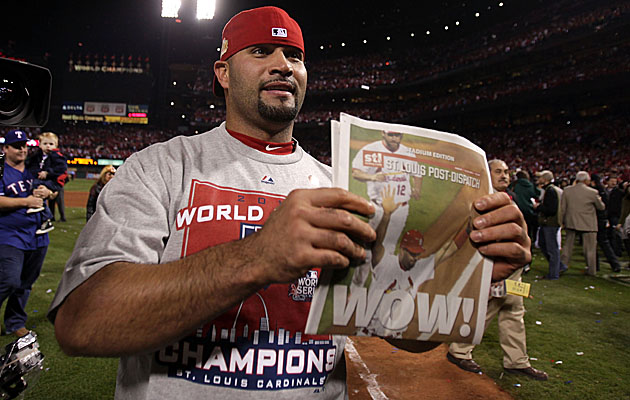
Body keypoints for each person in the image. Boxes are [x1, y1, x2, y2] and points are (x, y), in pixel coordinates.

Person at [47, 7, 531, 399]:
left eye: (294, 55)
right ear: (222, 71)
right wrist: (259, 255)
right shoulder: (161, 166)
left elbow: (400, 331)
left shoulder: (340, 183)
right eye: (261, 51)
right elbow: (82, 322)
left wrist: (468, 266)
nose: (283, 64)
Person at [447, 159, 548, 381]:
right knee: (487, 308)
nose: (504, 175)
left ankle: (516, 361)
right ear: (487, 174)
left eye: (506, 172)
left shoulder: (509, 197)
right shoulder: (481, 198)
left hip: (513, 267)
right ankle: (459, 351)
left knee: (514, 311)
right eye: (498, 172)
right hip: (493, 265)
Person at [0, 129, 53, 338]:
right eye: (16, 146)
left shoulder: (34, 166)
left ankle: (15, 322)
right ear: (5, 149)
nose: (22, 149)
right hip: (10, 234)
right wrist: (25, 201)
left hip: (38, 234)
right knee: (9, 280)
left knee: (25, 283)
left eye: (24, 145)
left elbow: (52, 186)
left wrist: (49, 192)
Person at [561, 171, 605, 276]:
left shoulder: (567, 191)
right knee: (589, 249)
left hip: (571, 221)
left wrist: (562, 221)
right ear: (586, 180)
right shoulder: (593, 192)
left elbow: (562, 208)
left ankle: (562, 266)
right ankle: (591, 270)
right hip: (588, 223)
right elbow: (601, 207)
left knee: (567, 247)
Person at [25, 131, 68, 233]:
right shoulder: (37, 156)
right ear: (39, 145)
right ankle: (44, 217)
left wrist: (48, 173)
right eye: (45, 144)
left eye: (51, 144)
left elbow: (61, 168)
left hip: (53, 182)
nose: (48, 146)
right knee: (36, 190)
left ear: (56, 145)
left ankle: (47, 216)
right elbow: (30, 165)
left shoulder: (57, 156)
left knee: (37, 188)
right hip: (42, 180)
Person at [535, 170, 568, 279]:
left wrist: (538, 207)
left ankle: (554, 274)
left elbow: (551, 209)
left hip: (550, 223)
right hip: (550, 223)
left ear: (545, 179)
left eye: (540, 177)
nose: (538, 179)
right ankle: (560, 266)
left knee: (551, 248)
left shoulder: (550, 191)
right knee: (543, 244)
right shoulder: (554, 189)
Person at [590, 174, 621, 273]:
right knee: (603, 242)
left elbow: (603, 206)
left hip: (596, 219)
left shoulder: (594, 192)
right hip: (602, 219)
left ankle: (595, 265)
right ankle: (614, 264)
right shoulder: (603, 191)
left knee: (594, 243)